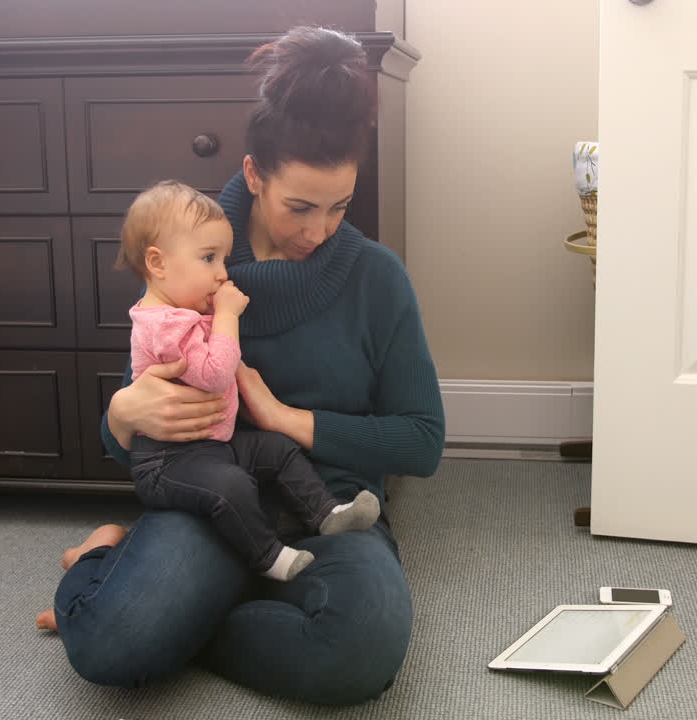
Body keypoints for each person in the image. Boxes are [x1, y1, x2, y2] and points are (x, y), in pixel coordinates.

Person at [35, 26, 445, 705]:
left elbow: (422, 441)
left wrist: (288, 420)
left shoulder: (377, 278)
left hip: (331, 505)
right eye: (300, 208)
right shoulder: (189, 259)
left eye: (339, 205)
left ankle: (187, 617)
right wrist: (121, 414)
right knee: (107, 645)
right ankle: (107, 555)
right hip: (211, 499)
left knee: (360, 651)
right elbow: (135, 444)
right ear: (255, 175)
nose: (319, 231)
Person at [121, 179, 382, 583]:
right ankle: (268, 557)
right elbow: (214, 374)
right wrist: (227, 317)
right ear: (157, 264)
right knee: (233, 486)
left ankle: (326, 512)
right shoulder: (164, 326)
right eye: (208, 258)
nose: (223, 273)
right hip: (168, 462)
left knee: (277, 449)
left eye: (223, 258)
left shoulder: (183, 311)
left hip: (212, 445)